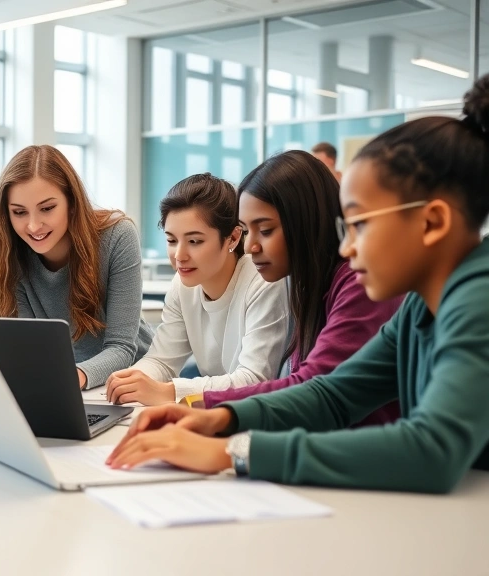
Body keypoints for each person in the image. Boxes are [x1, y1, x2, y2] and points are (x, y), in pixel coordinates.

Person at [106, 75, 489, 494]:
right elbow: (330, 395)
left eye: (361, 225)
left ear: (432, 222)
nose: (350, 246)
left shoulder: (477, 300)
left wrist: (233, 451)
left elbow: (432, 451)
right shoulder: (420, 306)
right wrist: (220, 417)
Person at [201, 151, 402, 425]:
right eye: (247, 231)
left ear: (307, 222)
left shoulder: (358, 282)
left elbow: (311, 386)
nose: (250, 247)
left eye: (267, 230)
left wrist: (200, 405)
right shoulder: (306, 282)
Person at [0, 145, 153, 390]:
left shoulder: (117, 236)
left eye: (47, 208)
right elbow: (32, 349)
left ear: (72, 202)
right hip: (63, 385)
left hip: (133, 382)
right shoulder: (11, 255)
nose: (33, 226)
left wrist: (72, 377)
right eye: (19, 212)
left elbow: (122, 348)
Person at [105, 174, 288, 405]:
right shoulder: (182, 285)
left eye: (194, 241)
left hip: (262, 419)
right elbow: (162, 361)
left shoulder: (262, 281)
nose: (179, 256)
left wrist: (169, 392)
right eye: (172, 241)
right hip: (214, 412)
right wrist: (129, 382)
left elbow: (255, 381)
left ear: (232, 237)